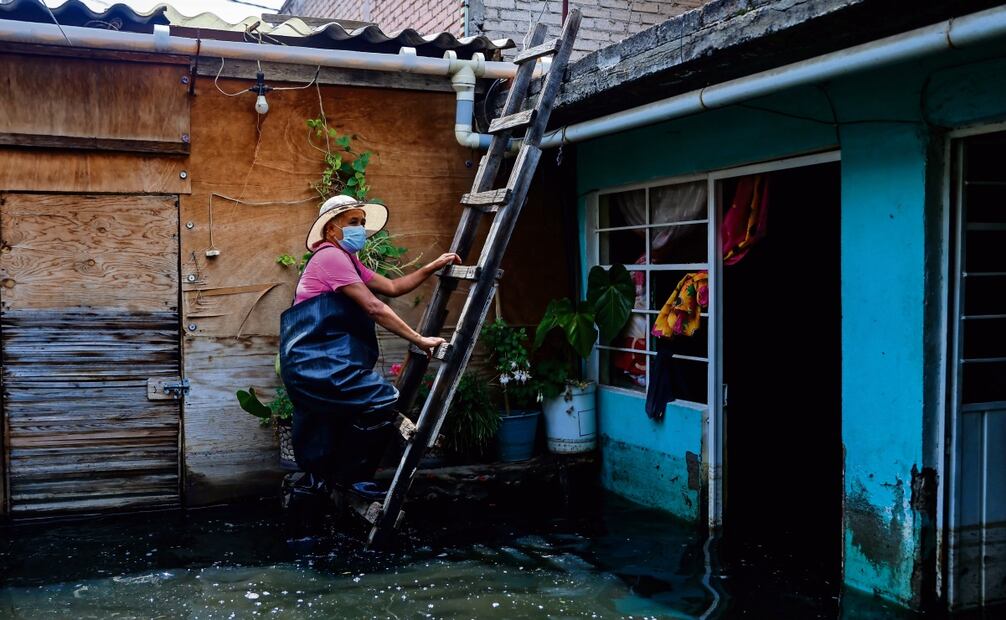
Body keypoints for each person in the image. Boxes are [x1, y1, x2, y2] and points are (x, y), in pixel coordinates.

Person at [279, 195, 460, 501]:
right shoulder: (330, 257)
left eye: (362, 223)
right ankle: (353, 480)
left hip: (314, 362)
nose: (360, 229)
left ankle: (323, 495)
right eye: (353, 222)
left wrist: (432, 266)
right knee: (380, 399)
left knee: (325, 433)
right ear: (331, 229)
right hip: (316, 363)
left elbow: (392, 287)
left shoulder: (347, 260)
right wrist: (419, 339)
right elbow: (374, 306)